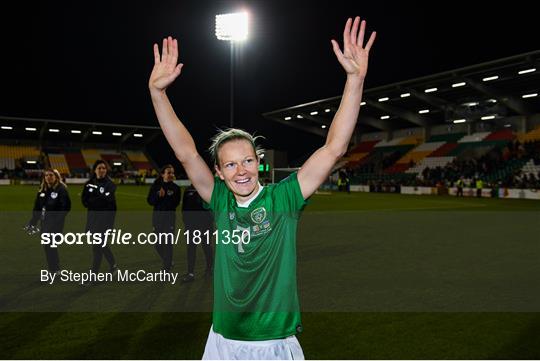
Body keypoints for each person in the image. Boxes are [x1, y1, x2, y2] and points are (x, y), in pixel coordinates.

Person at [148, 16, 375, 360]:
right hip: (223, 341)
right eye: (230, 164)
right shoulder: (219, 199)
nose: (241, 171)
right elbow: (185, 152)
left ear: (259, 162)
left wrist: (355, 79)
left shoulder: (284, 198)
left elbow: (333, 148)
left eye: (248, 160)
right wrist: (158, 93)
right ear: (219, 173)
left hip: (274, 343)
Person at [25, 168, 71, 274]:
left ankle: (55, 268)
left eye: (51, 175)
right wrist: (33, 221)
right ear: (44, 178)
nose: (48, 177)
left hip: (56, 223)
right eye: (46, 175)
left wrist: (58, 220)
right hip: (44, 222)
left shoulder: (61, 190)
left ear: (56, 177)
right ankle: (53, 268)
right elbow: (37, 207)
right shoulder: (42, 190)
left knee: (51, 245)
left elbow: (66, 207)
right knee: (47, 245)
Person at [82, 160, 118, 281]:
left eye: (104, 168)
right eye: (99, 168)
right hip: (92, 220)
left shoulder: (110, 184)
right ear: (95, 170)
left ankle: (93, 276)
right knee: (101, 245)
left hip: (105, 221)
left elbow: (111, 206)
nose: (102, 170)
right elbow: (85, 202)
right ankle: (113, 264)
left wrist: (94, 201)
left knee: (97, 247)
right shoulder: (88, 184)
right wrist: (99, 200)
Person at [147, 164, 181, 272]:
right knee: (157, 244)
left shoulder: (176, 188)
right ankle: (168, 261)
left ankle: (166, 267)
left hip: (169, 220)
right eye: (169, 172)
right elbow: (150, 201)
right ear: (163, 174)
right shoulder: (156, 186)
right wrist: (158, 195)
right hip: (157, 219)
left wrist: (165, 196)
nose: (171, 174)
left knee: (168, 244)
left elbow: (174, 204)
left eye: (172, 172)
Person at [180, 184, 214, 283]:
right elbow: (184, 207)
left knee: (206, 246)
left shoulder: (208, 188)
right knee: (191, 247)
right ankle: (190, 273)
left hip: (205, 223)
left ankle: (209, 268)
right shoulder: (188, 190)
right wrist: (185, 220)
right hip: (191, 225)